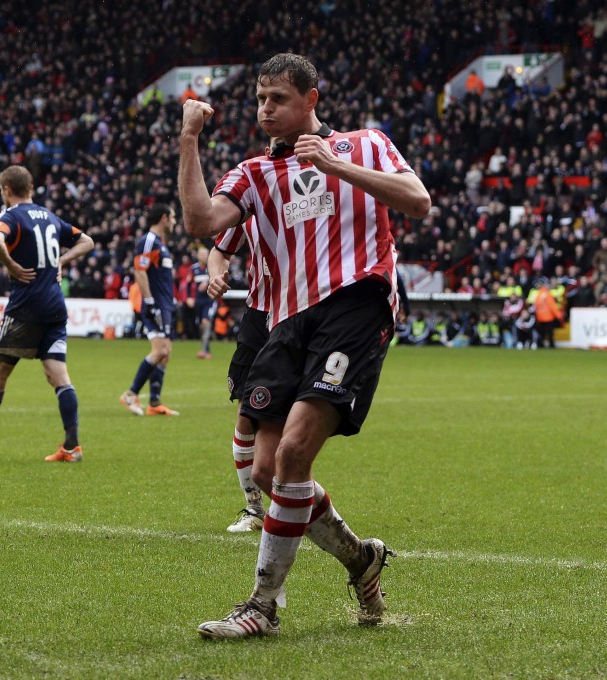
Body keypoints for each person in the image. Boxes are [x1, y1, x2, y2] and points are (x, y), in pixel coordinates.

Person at [179, 52, 431, 639]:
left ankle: (262, 607)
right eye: (260, 99)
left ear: (311, 99)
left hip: (355, 305)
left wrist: (336, 168)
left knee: (294, 455)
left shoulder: (365, 144)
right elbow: (200, 223)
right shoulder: (251, 173)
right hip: (284, 321)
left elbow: (417, 201)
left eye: (278, 99)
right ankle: (359, 558)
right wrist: (189, 140)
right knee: (269, 472)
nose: (266, 110)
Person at [0, 165, 93, 461]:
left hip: (26, 306)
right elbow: (87, 241)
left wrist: (9, 265)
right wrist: (62, 260)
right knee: (58, 375)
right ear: (31, 187)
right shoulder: (49, 216)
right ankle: (72, 447)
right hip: (55, 305)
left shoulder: (10, 217)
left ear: (6, 190)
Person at [207, 219, 269, 533]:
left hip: (307, 315)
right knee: (246, 413)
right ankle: (254, 508)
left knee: (299, 420)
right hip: (259, 317)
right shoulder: (252, 199)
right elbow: (219, 251)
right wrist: (216, 275)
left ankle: (295, 503)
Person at [119, 204, 181, 417]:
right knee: (160, 350)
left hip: (165, 305)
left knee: (166, 353)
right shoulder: (149, 241)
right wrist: (150, 301)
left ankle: (154, 402)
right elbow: (140, 270)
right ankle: (130, 393)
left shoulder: (161, 245)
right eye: (173, 217)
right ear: (164, 218)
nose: (174, 222)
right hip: (156, 305)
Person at [191, 246, 217, 359]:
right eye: (201, 254)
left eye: (205, 254)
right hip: (198, 300)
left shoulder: (212, 267)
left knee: (206, 321)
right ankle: (207, 349)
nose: (203, 256)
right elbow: (187, 285)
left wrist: (208, 283)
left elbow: (219, 279)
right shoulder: (194, 269)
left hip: (209, 299)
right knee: (202, 325)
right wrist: (189, 297)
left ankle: (203, 351)